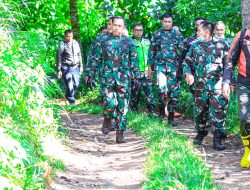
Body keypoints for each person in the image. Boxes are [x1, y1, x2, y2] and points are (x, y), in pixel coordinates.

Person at [86, 16, 140, 143]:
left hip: (124, 78)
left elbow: (134, 61)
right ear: (111, 25)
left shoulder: (129, 42)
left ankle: (120, 133)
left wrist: (136, 77)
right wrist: (90, 73)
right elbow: (95, 57)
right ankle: (107, 118)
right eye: (115, 25)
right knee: (110, 103)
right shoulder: (102, 39)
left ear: (123, 28)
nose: (116, 28)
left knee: (123, 106)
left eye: (119, 26)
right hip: (107, 77)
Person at [183, 21, 229, 150]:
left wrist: (230, 83)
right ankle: (201, 133)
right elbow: (187, 62)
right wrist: (188, 73)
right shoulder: (194, 46)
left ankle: (218, 137)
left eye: (199, 30)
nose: (197, 33)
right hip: (200, 86)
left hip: (217, 86)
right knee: (200, 113)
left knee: (218, 112)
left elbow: (228, 66)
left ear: (206, 32)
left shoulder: (222, 45)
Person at [148, 13, 183, 127]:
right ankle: (161, 113)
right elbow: (152, 51)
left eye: (169, 22)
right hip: (160, 67)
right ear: (162, 22)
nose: (167, 24)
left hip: (174, 67)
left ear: (172, 23)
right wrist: (149, 68)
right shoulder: (156, 34)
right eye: (165, 21)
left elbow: (182, 52)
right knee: (161, 91)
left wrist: (182, 68)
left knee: (174, 93)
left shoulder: (177, 34)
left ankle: (171, 117)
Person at [222, 29, 250, 167]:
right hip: (245, 83)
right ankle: (247, 150)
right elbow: (229, 60)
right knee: (245, 118)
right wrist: (226, 81)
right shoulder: (243, 35)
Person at [130, 23, 155, 115]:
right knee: (135, 94)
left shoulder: (147, 41)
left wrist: (150, 69)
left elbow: (151, 55)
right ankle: (134, 112)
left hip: (147, 71)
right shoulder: (129, 42)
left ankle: (151, 112)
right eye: (136, 30)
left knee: (149, 92)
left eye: (140, 30)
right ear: (133, 31)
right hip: (135, 72)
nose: (139, 32)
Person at [57, 29, 83, 105]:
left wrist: (81, 66)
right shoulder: (62, 44)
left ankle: (67, 95)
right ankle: (72, 101)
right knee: (69, 84)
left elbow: (79, 54)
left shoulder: (75, 43)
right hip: (66, 67)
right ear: (65, 36)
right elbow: (59, 56)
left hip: (75, 67)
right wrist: (59, 70)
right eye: (68, 36)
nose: (69, 38)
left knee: (76, 84)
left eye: (71, 36)